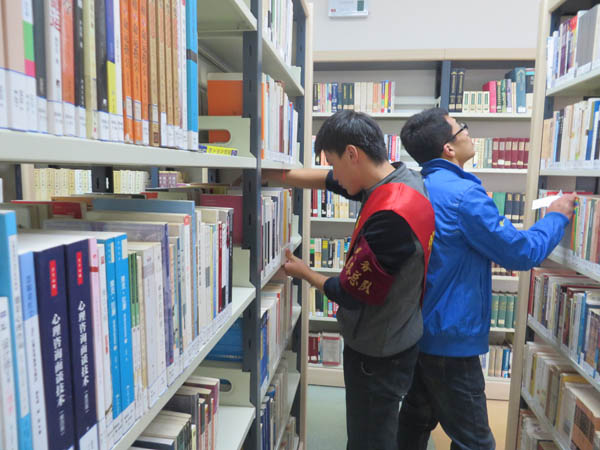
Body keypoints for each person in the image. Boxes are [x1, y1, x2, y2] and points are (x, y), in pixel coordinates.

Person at [396, 107, 576, 450]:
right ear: (449, 148)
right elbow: (520, 253)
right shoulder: (465, 196)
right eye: (461, 128)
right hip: (451, 339)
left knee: (413, 424)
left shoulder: (416, 187)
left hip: (418, 329)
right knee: (474, 442)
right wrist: (556, 218)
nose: (468, 133)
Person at [266, 109, 435, 450]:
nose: (333, 173)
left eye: (333, 162)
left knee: (369, 439)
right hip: (400, 332)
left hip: (378, 353)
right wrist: (278, 175)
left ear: (352, 154)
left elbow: (349, 293)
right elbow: (331, 181)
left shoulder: (391, 217)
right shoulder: (401, 180)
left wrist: (303, 271)